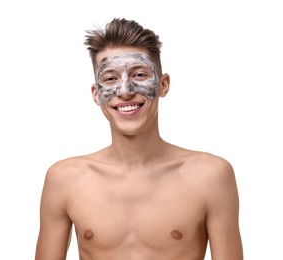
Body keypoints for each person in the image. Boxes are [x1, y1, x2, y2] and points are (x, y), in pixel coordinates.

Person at [35, 18, 243, 260]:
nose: (125, 91)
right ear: (96, 94)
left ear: (163, 85)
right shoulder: (65, 179)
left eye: (140, 74)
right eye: (110, 78)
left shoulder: (210, 175)